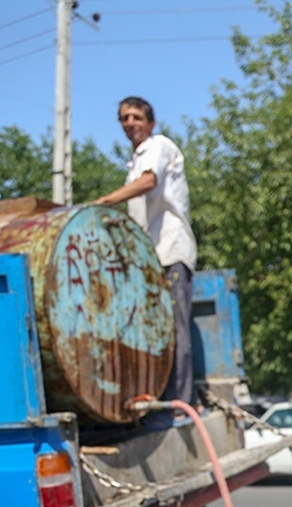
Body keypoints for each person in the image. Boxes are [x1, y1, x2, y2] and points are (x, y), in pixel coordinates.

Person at [93, 96, 197, 410]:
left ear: (150, 123)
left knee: (175, 330)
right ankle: (158, 400)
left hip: (171, 251)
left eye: (136, 117)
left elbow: (149, 182)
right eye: (124, 118)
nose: (130, 123)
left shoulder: (159, 146)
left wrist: (105, 201)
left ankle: (181, 403)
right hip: (150, 257)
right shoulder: (135, 162)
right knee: (156, 331)